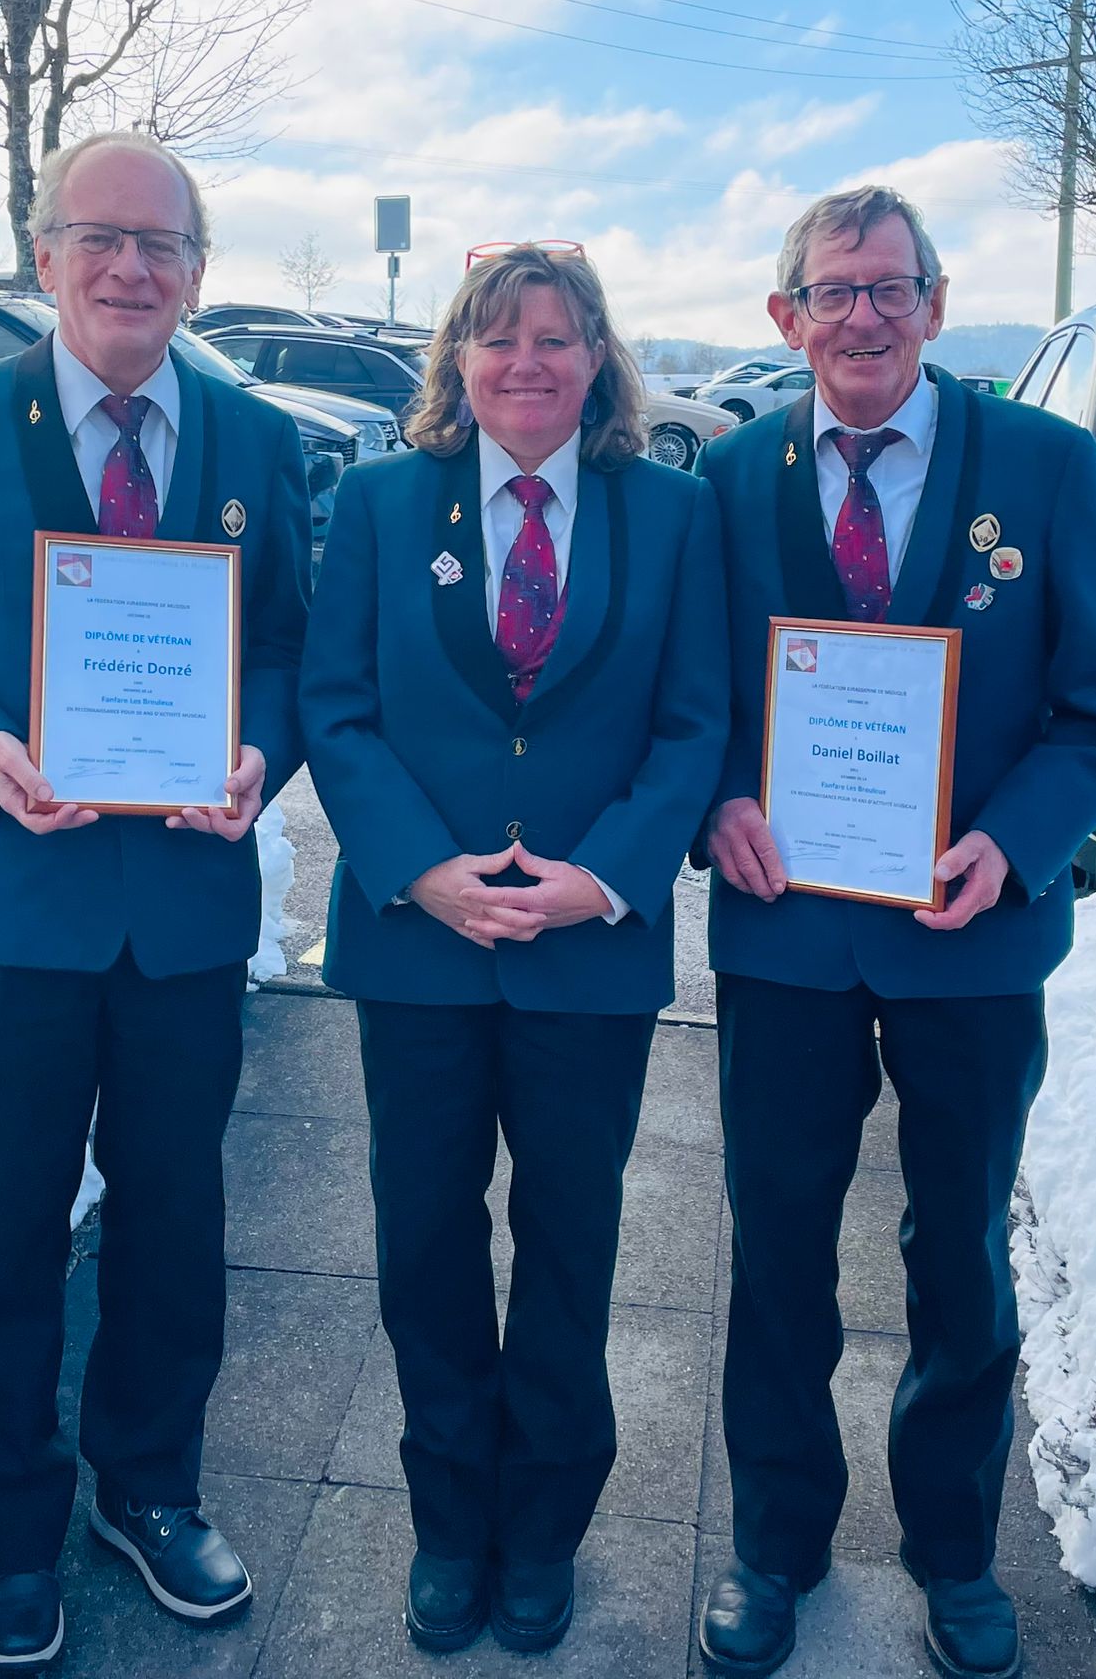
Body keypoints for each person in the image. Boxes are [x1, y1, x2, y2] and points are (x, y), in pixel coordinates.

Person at [0, 131, 310, 1670]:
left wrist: (258, 752)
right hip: (12, 910)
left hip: (183, 912)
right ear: (43, 256)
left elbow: (288, 650)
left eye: (161, 244)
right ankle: (13, 1529)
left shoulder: (253, 440)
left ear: (196, 273)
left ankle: (150, 1488)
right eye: (98, 237)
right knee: (15, 1229)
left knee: (175, 1218)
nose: (128, 267)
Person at [693, 188, 1096, 1679]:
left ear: (936, 306)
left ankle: (953, 1547)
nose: (863, 318)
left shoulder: (1047, 464)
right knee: (776, 1251)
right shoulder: (728, 476)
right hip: (785, 933)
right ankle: (774, 1541)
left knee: (959, 1252)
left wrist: (1010, 844)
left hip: (971, 935)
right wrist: (719, 803)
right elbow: (691, 697)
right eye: (833, 292)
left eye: (891, 288)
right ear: (787, 318)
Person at [300, 245, 727, 1655]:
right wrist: (419, 871)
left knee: (569, 1242)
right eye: (498, 338)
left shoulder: (671, 512)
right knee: (424, 1238)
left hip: (584, 952)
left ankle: (542, 1524)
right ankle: (447, 1517)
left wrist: (603, 880)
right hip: (418, 947)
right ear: (458, 362)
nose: (527, 362)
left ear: (598, 357)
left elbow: (695, 722)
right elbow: (337, 707)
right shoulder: (380, 504)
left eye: (555, 336)